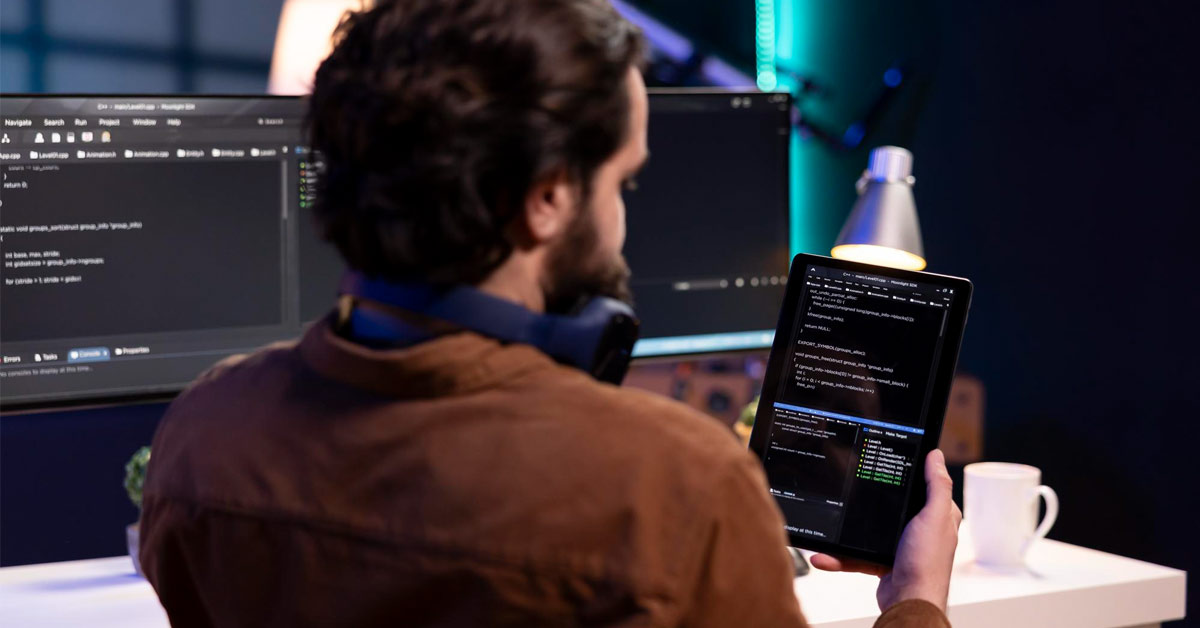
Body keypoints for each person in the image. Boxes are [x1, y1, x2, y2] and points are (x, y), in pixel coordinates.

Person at [138, 0, 961, 626]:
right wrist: (915, 599)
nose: (624, 219)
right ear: (547, 200)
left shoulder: (206, 433)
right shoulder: (677, 490)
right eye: (622, 184)